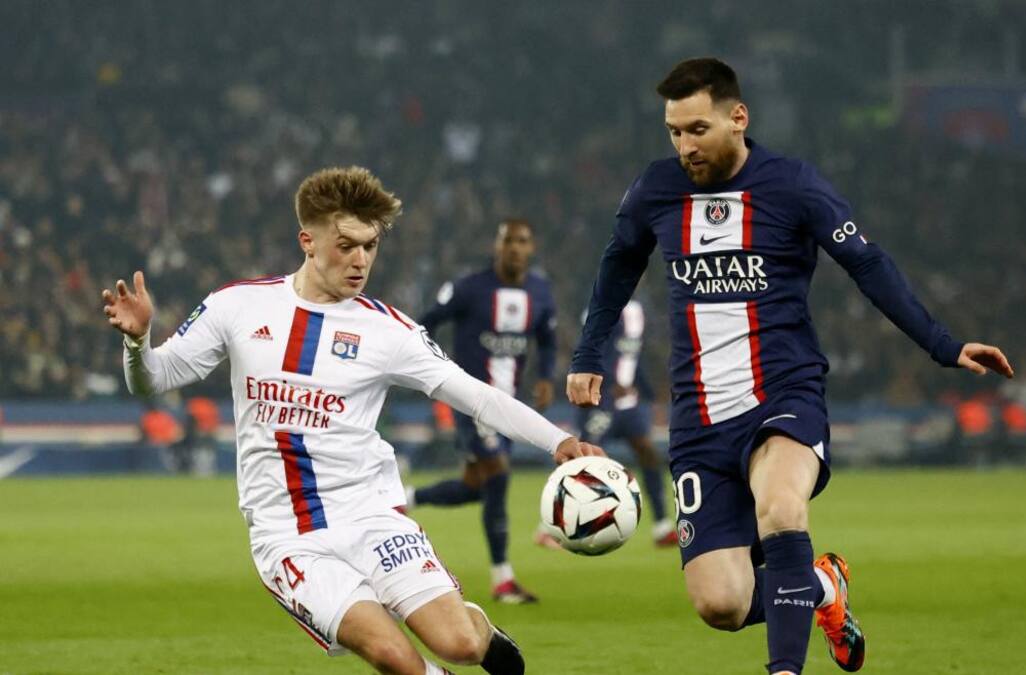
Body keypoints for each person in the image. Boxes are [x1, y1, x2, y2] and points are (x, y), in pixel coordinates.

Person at [567, 58, 1013, 675]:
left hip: (783, 394)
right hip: (699, 421)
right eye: (673, 131)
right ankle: (823, 586)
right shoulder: (655, 190)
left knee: (780, 509)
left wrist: (941, 344)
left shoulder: (794, 186)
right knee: (721, 603)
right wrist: (588, 352)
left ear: (738, 118)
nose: (683, 145)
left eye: (697, 128)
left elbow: (868, 263)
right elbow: (618, 265)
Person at [103, 166, 602, 675]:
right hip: (286, 533)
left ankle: (477, 628)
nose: (361, 260)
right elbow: (152, 379)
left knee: (459, 646)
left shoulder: (390, 332)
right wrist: (137, 340)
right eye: (346, 245)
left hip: (371, 516)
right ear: (308, 241)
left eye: (371, 246)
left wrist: (559, 441)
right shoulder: (237, 306)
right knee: (393, 657)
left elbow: (475, 395)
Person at [406, 219, 557, 604]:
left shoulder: (539, 291)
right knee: (498, 475)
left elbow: (548, 338)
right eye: (507, 240)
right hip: (472, 401)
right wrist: (432, 370)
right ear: (497, 245)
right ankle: (503, 580)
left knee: (476, 487)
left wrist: (544, 377)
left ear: (532, 247)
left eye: (522, 241)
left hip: (510, 405)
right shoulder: (469, 288)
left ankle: (406, 498)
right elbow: (424, 323)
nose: (514, 248)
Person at [569, 299, 677, 547]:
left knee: (647, 452)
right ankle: (556, 523)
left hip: (629, 401)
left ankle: (662, 526)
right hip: (601, 398)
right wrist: (607, 385)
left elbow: (631, 357)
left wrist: (647, 393)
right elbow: (589, 350)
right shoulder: (598, 307)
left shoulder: (639, 311)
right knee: (585, 458)